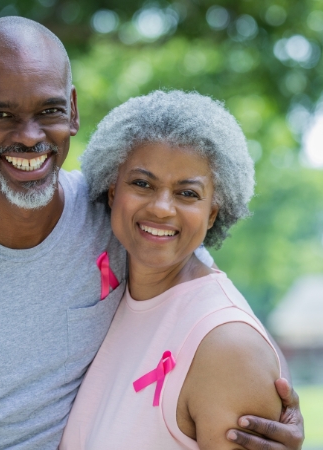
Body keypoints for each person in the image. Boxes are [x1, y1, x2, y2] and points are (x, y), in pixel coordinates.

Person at [0, 17, 303, 450]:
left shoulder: (118, 216)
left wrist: (264, 401)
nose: (31, 136)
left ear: (73, 110)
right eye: (0, 114)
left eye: (49, 110)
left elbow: (194, 289)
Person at [58, 89, 286, 449]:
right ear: (112, 191)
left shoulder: (228, 346)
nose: (162, 208)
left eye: (187, 193)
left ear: (212, 214)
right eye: (142, 184)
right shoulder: (105, 297)